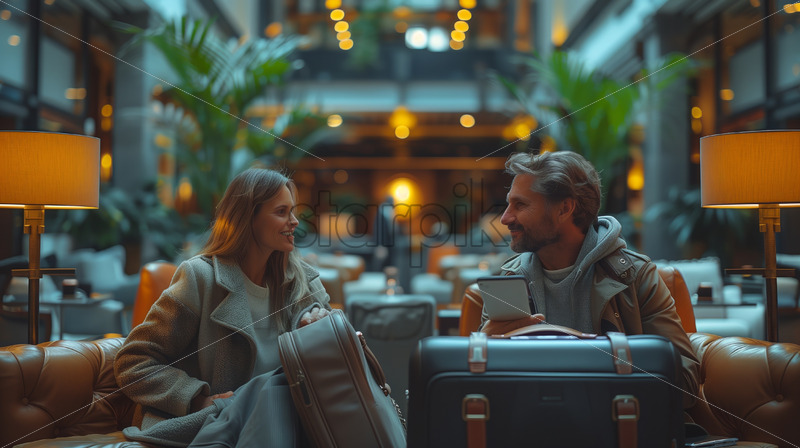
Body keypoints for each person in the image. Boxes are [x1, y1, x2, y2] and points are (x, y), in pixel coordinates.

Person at [114, 168, 332, 446]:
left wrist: (323, 329)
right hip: (221, 424)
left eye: (292, 211)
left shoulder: (304, 281)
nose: (294, 221)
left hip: (295, 421)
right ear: (247, 218)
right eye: (281, 211)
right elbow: (134, 362)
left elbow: (341, 360)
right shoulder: (199, 278)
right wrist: (196, 399)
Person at [481, 150, 699, 408]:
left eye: (520, 204)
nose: (505, 218)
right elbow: (479, 390)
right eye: (509, 204)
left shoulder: (635, 276)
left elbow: (685, 383)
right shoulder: (508, 280)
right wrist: (485, 345)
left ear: (565, 208)